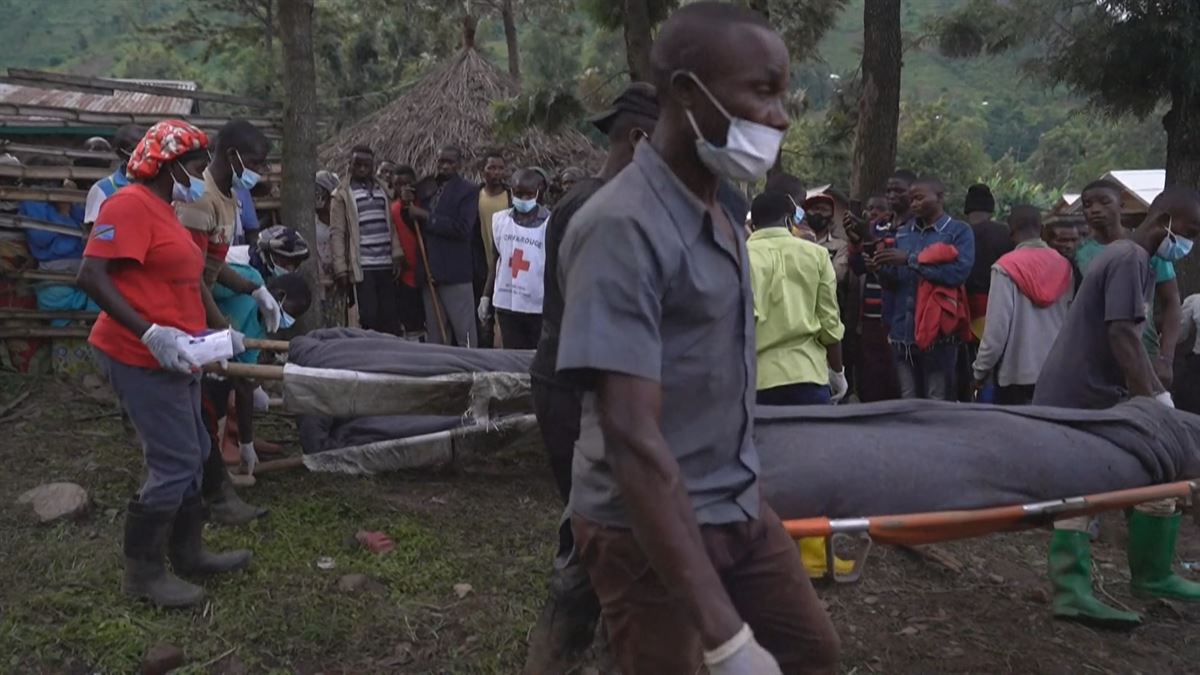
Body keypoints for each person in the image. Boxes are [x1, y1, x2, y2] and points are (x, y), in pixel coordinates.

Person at [556, 4, 839, 673]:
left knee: (809, 651)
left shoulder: (718, 211)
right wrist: (725, 634)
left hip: (736, 500)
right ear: (686, 92)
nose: (781, 116)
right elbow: (630, 432)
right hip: (644, 524)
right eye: (763, 91)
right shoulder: (623, 227)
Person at [75, 120, 251, 608]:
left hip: (177, 356)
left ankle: (188, 551)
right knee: (173, 460)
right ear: (170, 164)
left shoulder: (163, 209)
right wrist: (149, 332)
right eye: (195, 167)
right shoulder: (128, 204)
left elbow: (172, 286)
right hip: (138, 354)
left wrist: (212, 339)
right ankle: (144, 574)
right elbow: (91, 274)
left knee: (194, 450)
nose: (199, 177)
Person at [523, 81, 659, 674]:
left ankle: (588, 639)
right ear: (642, 139)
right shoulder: (599, 211)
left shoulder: (603, 201)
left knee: (597, 527)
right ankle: (574, 646)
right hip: (580, 392)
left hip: (586, 387)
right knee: (589, 527)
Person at [1034, 186, 1200, 628]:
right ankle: (1080, 589)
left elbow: (1140, 330)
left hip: (1095, 391)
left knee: (1149, 471)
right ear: (1163, 216)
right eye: (1190, 231)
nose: (1189, 242)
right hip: (1080, 393)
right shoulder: (1128, 259)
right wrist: (1156, 401)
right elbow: (1122, 336)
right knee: (1088, 485)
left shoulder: (1138, 260)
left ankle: (1151, 573)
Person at [175, 119, 283, 343]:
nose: (260, 172)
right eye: (255, 163)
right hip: (182, 303)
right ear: (232, 156)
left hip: (199, 295)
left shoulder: (229, 195)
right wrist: (222, 329)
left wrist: (253, 289)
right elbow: (190, 274)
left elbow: (211, 262)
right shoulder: (201, 198)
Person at [873, 176, 975, 400]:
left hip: (939, 336)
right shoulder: (903, 233)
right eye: (911, 199)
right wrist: (879, 267)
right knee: (907, 400)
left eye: (919, 198)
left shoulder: (959, 232)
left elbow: (957, 274)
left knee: (936, 401)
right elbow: (894, 283)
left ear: (939, 197)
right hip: (903, 333)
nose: (914, 204)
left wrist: (910, 259)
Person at [1074, 179, 1181, 391]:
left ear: (1121, 204)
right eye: (1087, 204)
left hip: (1144, 354)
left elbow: (1172, 303)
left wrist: (1166, 358)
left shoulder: (1147, 248)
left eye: (1104, 202)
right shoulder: (1079, 254)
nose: (1095, 209)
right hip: (1097, 360)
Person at [748, 191, 846, 405]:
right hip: (808, 375)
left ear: (753, 223)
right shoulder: (818, 255)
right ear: (788, 220)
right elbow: (830, 323)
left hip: (757, 380)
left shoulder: (741, 256)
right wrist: (837, 373)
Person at [971, 206, 1071, 405]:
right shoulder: (1065, 265)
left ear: (1010, 231)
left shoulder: (1005, 267)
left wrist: (978, 372)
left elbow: (996, 332)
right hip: (1057, 371)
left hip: (1017, 375)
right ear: (1042, 229)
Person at [406, 146, 480, 347]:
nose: (445, 166)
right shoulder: (427, 188)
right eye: (441, 162)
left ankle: (469, 370)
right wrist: (409, 207)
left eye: (450, 162)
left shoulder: (469, 190)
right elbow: (413, 224)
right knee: (436, 335)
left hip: (455, 272)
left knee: (464, 332)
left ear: (459, 165)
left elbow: (463, 228)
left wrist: (426, 217)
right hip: (430, 270)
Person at [329, 145, 404, 335]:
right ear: (350, 165)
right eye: (358, 164)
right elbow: (337, 232)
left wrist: (396, 254)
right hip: (363, 265)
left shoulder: (383, 190)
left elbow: (392, 226)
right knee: (369, 316)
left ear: (373, 166)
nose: (362, 169)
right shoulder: (342, 195)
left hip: (386, 263)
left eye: (367, 165)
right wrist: (340, 267)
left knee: (390, 316)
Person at [479, 168, 551, 350]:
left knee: (535, 355)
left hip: (536, 306)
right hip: (506, 304)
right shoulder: (499, 221)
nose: (523, 199)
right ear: (511, 191)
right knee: (512, 354)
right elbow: (495, 262)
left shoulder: (549, 223)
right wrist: (486, 296)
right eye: (519, 194)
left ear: (538, 192)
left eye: (528, 194)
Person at [846, 192, 901, 402]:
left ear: (888, 212)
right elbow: (858, 266)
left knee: (889, 371)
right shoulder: (865, 232)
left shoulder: (894, 233)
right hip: (867, 316)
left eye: (877, 209)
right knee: (870, 371)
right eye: (869, 209)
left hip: (888, 315)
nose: (871, 213)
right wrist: (854, 243)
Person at [475, 151, 510, 342]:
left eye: (500, 168)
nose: (496, 172)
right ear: (483, 171)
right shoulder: (475, 197)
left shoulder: (512, 197)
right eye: (491, 168)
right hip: (482, 265)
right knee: (482, 319)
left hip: (507, 267)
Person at [84, 124, 144, 227]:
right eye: (133, 149)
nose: (141, 153)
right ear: (120, 154)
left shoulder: (158, 185)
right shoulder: (102, 190)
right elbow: (94, 234)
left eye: (144, 147)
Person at [391, 165, 425, 335]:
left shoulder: (423, 206)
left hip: (426, 273)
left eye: (407, 184)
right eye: (398, 184)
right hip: (405, 277)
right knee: (411, 322)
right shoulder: (391, 209)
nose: (403, 188)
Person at [801, 193, 849, 285]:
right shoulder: (796, 241)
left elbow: (837, 276)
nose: (818, 213)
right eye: (815, 209)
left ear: (831, 216)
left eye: (824, 210)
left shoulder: (840, 246)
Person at [1043, 218, 1082, 291]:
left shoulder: (1076, 265)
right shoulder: (1038, 267)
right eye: (1063, 240)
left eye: (1074, 240)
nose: (1069, 246)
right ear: (1047, 241)